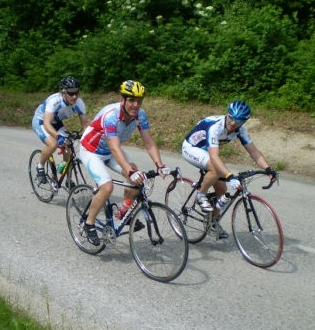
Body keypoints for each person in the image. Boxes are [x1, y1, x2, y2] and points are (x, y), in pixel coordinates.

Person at [79, 80, 168, 246]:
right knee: (107, 187)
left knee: (136, 176)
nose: (136, 105)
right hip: (91, 150)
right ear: (123, 100)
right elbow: (114, 148)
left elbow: (148, 142)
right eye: (132, 100)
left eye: (139, 101)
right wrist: (129, 171)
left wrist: (160, 165)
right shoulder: (111, 115)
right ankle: (88, 223)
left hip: (112, 150)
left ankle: (123, 214)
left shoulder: (140, 115)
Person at [182, 100, 277, 238]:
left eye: (238, 121)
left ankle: (212, 223)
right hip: (192, 148)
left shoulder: (241, 130)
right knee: (215, 168)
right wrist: (230, 176)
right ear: (227, 113)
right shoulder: (216, 127)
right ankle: (200, 195)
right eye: (231, 117)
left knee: (222, 191)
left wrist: (268, 169)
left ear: (244, 122)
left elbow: (254, 152)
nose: (233, 123)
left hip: (208, 153)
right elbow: (214, 157)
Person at [32, 76, 87, 183]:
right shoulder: (55, 101)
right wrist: (58, 137)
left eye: (77, 92)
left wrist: (87, 136)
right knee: (53, 144)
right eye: (71, 93)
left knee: (68, 149)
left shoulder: (79, 103)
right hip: (41, 121)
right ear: (63, 92)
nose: (74, 96)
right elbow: (47, 123)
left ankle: (66, 177)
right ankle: (40, 167)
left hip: (56, 123)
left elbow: (85, 125)